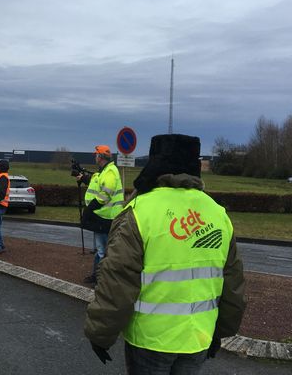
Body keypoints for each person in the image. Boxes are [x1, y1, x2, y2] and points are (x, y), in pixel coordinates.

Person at [84, 134, 246, 374]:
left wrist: (101, 333)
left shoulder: (140, 211)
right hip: (198, 337)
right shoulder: (217, 213)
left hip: (150, 340)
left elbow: (117, 279)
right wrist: (220, 331)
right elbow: (233, 283)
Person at [76, 145, 124, 286]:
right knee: (101, 249)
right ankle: (97, 276)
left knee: (102, 250)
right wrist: (84, 178)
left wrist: (91, 208)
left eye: (96, 155)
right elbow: (97, 183)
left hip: (106, 217)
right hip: (103, 216)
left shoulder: (110, 171)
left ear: (101, 157)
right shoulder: (104, 171)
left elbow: (105, 193)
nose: (95, 157)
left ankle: (101, 279)